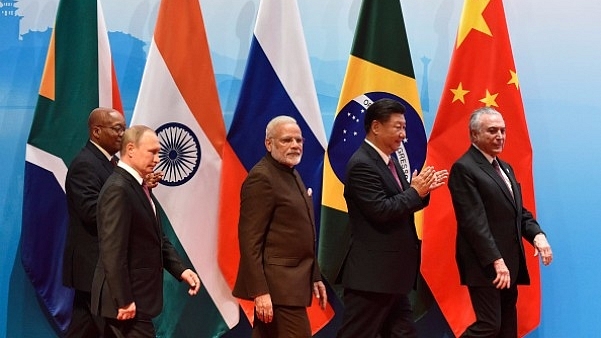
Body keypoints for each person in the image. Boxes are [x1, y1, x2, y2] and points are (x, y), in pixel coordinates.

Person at [336, 98, 448, 338]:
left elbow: (403, 203)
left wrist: (422, 192)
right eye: (398, 127)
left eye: (404, 127)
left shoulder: (390, 162)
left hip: (392, 275)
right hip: (372, 277)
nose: (403, 134)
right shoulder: (362, 164)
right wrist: (415, 192)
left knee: (403, 333)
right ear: (376, 127)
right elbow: (382, 210)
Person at [448, 107, 553, 337]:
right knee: (489, 325)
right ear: (474, 135)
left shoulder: (505, 167)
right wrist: (496, 260)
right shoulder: (464, 168)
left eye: (503, 131)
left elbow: (518, 212)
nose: (500, 136)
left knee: (507, 329)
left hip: (510, 263)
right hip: (486, 264)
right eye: (492, 131)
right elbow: (473, 221)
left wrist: (537, 235)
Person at [91, 125, 200, 337]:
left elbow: (154, 237)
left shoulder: (138, 185)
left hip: (137, 300)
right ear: (130, 149)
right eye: (152, 152)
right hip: (126, 303)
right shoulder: (119, 189)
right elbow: (112, 251)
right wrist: (123, 300)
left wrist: (180, 270)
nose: (158, 158)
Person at [232, 116, 327, 338]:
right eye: (286, 140)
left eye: (298, 139)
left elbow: (297, 233)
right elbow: (249, 240)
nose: (295, 145)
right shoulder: (261, 178)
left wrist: (314, 275)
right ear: (269, 144)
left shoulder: (289, 172)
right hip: (278, 289)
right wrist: (260, 291)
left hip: (291, 285)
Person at [62, 107, 125, 337]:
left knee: (86, 328)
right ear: (96, 131)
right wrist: (128, 200)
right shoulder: (85, 164)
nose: (122, 135)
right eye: (117, 129)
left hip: (102, 266)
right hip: (92, 265)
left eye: (124, 129)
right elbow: (90, 212)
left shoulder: (111, 163)